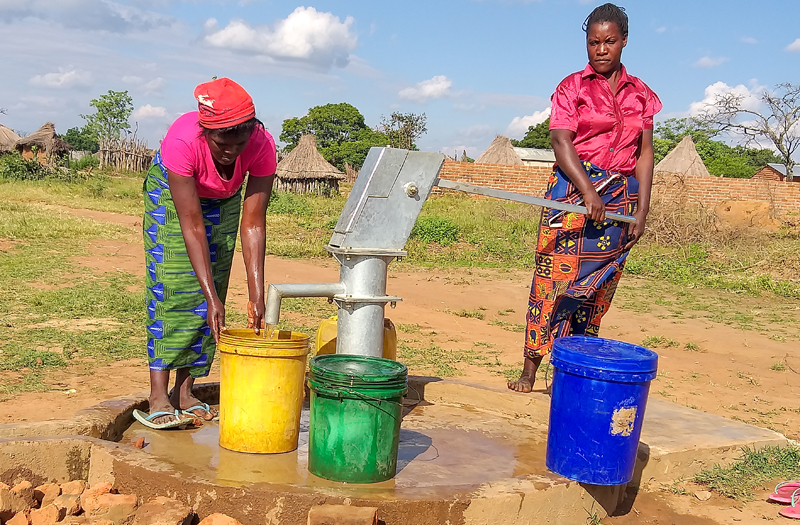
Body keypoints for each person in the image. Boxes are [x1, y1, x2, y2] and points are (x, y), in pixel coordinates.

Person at [508, 3, 661, 393]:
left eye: (609, 41)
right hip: (573, 193)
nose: (601, 49)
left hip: (621, 199)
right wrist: (589, 192)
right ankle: (529, 368)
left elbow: (645, 153)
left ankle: (572, 370)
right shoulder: (571, 87)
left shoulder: (642, 94)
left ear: (624, 41)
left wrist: (641, 208)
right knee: (552, 281)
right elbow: (561, 143)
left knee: (595, 290)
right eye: (594, 42)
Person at [136, 78, 277, 428]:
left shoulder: (261, 146)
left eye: (239, 143)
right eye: (221, 143)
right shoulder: (183, 141)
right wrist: (210, 296)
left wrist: (257, 295)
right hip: (174, 200)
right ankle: (158, 394)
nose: (231, 152)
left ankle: (185, 392)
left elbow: (254, 223)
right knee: (172, 288)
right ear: (204, 133)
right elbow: (192, 225)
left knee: (214, 294)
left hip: (224, 201)